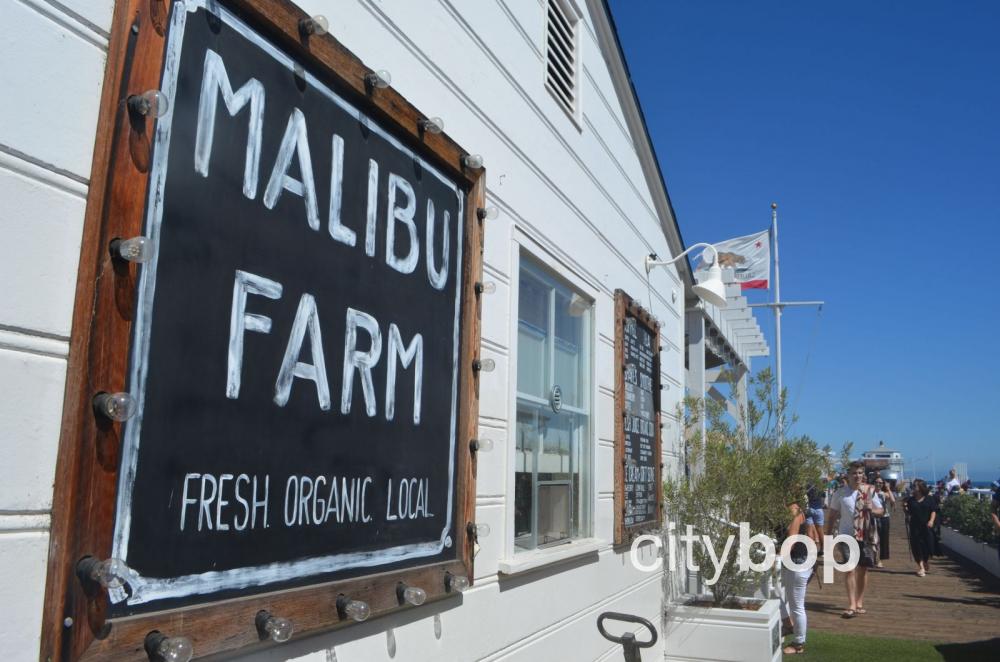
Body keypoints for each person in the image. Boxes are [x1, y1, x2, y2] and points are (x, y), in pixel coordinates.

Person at [826, 461, 883, 618]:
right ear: (848, 475)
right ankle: (851, 604)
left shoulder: (870, 491)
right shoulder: (840, 493)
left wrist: (872, 508)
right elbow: (831, 515)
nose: (857, 476)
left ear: (863, 474)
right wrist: (828, 536)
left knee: (863, 569)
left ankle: (859, 602)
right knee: (849, 568)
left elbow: (881, 511)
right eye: (854, 473)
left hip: (865, 535)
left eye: (859, 473)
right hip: (845, 535)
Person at [780, 500, 810, 655]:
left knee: (796, 606)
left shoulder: (793, 511)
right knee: (773, 594)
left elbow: (791, 541)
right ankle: (787, 624)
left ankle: (799, 643)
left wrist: (777, 558)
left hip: (798, 563)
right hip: (797, 561)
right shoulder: (792, 509)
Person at [904, 478, 937, 576]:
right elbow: (909, 513)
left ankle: (925, 560)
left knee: (927, 546)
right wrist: (905, 508)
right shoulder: (911, 500)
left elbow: (933, 510)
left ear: (920, 488)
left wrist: (931, 521)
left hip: (926, 526)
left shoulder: (929, 499)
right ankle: (921, 567)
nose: (913, 487)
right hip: (914, 526)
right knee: (916, 546)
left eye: (915, 486)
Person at [873, 477, 894, 567]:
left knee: (883, 539)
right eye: (877, 482)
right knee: (874, 539)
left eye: (881, 483)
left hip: (884, 517)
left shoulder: (884, 494)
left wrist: (888, 489)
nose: (878, 484)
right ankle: (874, 557)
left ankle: (880, 560)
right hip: (873, 517)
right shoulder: (871, 493)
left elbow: (893, 500)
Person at [804, 483, 825, 552]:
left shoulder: (807, 486)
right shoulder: (820, 487)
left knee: (809, 531)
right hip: (819, 509)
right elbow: (823, 499)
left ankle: (812, 550)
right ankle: (822, 549)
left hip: (809, 509)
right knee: (820, 531)